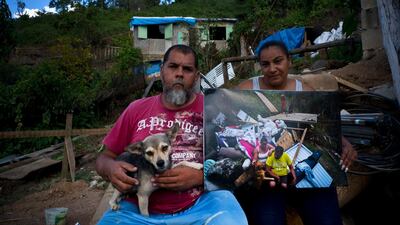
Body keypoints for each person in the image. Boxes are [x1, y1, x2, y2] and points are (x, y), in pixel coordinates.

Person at [95, 44, 248, 225]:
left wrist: (200, 177)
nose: (180, 74)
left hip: (204, 204)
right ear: (161, 71)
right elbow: (104, 158)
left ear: (196, 76)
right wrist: (110, 169)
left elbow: (239, 157)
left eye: (188, 69)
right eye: (173, 67)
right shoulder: (136, 109)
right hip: (137, 209)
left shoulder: (213, 108)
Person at [235, 40, 357, 225]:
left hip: (303, 175)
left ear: (289, 61)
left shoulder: (305, 90)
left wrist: (343, 143)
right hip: (267, 180)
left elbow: (323, 124)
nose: (272, 69)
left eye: (278, 61)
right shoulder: (245, 90)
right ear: (260, 66)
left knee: (327, 220)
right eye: (265, 64)